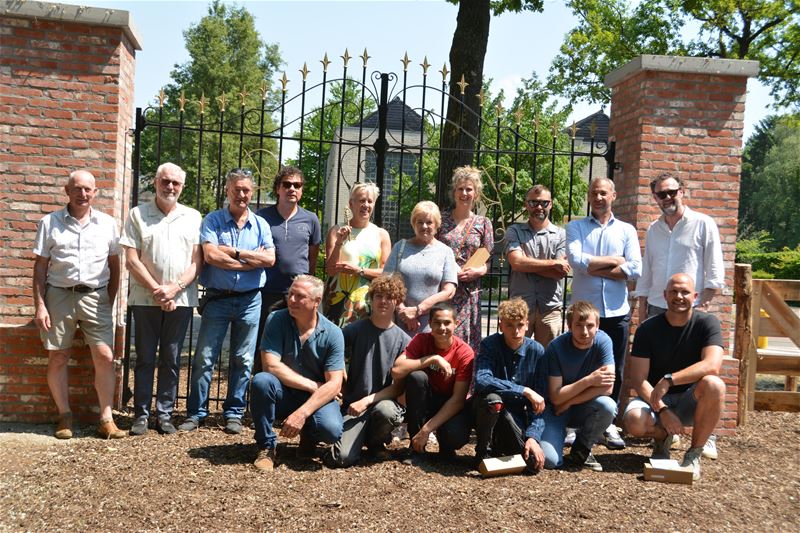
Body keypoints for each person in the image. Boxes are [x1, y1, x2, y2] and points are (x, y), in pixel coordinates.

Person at [633, 173, 725, 460]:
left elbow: (714, 271)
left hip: (691, 309)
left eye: (672, 192)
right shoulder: (653, 229)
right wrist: (643, 304)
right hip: (660, 307)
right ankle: (664, 428)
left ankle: (704, 435)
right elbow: (647, 270)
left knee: (702, 377)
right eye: (661, 194)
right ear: (655, 198)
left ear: (682, 191)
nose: (667, 198)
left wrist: (702, 307)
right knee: (658, 371)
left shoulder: (703, 224)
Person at [179, 169, 275, 435]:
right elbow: (210, 256)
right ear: (227, 191)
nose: (241, 194)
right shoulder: (212, 220)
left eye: (246, 190)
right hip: (218, 299)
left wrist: (232, 252)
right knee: (204, 358)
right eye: (236, 189)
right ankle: (196, 412)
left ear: (252, 192)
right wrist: (248, 260)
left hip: (250, 300)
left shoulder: (261, 225)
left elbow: (269, 260)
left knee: (243, 359)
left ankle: (233, 412)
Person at [32, 170, 125, 439]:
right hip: (58, 295)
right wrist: (40, 305)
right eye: (77, 189)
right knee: (58, 356)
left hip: (97, 297)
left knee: (106, 357)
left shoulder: (107, 224)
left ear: (95, 192)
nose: (82, 194)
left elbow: (115, 265)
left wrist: (110, 297)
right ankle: (64, 416)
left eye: (88, 189)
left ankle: (106, 418)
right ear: (67, 191)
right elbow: (40, 267)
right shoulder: (50, 223)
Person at [121, 162, 203, 435]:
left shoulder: (193, 216)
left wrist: (175, 288)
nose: (170, 187)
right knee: (144, 357)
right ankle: (141, 415)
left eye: (175, 183)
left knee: (171, 358)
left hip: (180, 300)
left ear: (182, 187)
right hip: (145, 300)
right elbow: (132, 260)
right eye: (165, 181)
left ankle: (165, 414)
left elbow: (197, 261)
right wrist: (159, 290)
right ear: (155, 182)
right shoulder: (137, 214)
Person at [622, 273, 725, 480]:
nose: (679, 296)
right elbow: (639, 379)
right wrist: (663, 410)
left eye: (685, 292)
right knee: (633, 421)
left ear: (695, 296)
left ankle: (693, 454)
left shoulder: (708, 323)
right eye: (674, 291)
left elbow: (712, 365)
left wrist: (669, 380)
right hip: (655, 399)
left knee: (714, 384)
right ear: (664, 295)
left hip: (691, 400)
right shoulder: (647, 329)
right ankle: (663, 437)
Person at [566, 177, 641, 449]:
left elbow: (635, 269)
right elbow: (575, 261)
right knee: (578, 368)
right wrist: (616, 262)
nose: (598, 197)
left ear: (614, 195)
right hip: (583, 314)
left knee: (614, 370)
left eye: (603, 193)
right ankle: (574, 424)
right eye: (594, 193)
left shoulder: (626, 230)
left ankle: (608, 424)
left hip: (616, 312)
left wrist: (593, 266)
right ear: (589, 196)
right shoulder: (575, 227)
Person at [251, 275, 345, 472]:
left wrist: (302, 414)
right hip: (284, 393)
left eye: (299, 296)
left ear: (316, 302)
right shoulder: (276, 319)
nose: (291, 300)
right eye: (290, 294)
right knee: (261, 381)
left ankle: (309, 438)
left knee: (331, 430)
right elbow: (271, 366)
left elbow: (335, 384)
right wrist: (313, 385)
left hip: (315, 399)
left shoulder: (333, 333)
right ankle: (266, 447)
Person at [324, 275, 411, 468]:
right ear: (371, 299)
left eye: (389, 297)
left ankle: (375, 443)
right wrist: (340, 376)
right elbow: (330, 352)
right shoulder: (354, 330)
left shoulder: (404, 340)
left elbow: (397, 388)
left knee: (386, 411)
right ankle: (356, 438)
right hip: (352, 406)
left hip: (381, 404)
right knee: (341, 458)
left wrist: (367, 401)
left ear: (397, 301)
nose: (383, 301)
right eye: (378, 296)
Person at [255, 166, 321, 370]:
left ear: (301, 190)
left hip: (299, 293)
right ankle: (261, 386)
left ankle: (294, 391)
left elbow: (313, 254)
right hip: (268, 291)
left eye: (297, 185)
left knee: (297, 343)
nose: (292, 189)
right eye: (287, 184)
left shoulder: (311, 219)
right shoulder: (261, 217)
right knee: (264, 343)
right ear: (278, 189)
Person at [391, 303, 474, 464]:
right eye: (437, 322)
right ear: (430, 324)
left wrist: (427, 430)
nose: (442, 327)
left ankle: (446, 446)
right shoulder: (422, 340)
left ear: (456, 324)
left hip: (449, 405)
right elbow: (397, 370)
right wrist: (432, 359)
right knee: (417, 377)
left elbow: (458, 400)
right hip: (424, 401)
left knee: (455, 437)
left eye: (447, 322)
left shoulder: (464, 352)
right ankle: (415, 449)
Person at [473, 298, 549, 472]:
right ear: (501, 326)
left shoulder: (537, 351)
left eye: (520, 325)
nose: (516, 331)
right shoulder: (490, 345)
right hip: (487, 411)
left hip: (516, 417)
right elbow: (482, 380)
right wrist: (524, 390)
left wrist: (533, 437)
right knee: (493, 399)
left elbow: (541, 404)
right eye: (509, 325)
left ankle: (501, 451)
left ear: (527, 325)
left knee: (532, 464)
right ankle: (482, 453)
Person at [539, 301, 616, 471]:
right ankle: (553, 435)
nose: (585, 332)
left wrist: (570, 401)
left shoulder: (603, 341)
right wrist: (589, 380)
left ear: (598, 325)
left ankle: (581, 450)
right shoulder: (556, 347)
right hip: (556, 410)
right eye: (579, 325)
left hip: (578, 406)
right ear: (569, 326)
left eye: (590, 326)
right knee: (550, 461)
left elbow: (607, 388)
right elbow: (555, 396)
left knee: (608, 406)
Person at [437, 166, 494, 353]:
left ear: (476, 193)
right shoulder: (440, 220)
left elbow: (488, 258)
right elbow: (432, 250)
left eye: (469, 189)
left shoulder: (483, 223)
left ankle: (465, 382)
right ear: (453, 192)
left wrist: (480, 271)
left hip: (470, 294)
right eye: (460, 188)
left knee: (467, 346)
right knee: (443, 337)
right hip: (445, 290)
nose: (464, 193)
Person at [506, 184, 570, 347]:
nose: (539, 207)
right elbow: (516, 263)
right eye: (534, 202)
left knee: (549, 359)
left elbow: (560, 273)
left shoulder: (561, 234)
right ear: (526, 204)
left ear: (551, 204)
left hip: (549, 308)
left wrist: (527, 263)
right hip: (519, 308)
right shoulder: (514, 230)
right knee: (515, 355)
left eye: (544, 203)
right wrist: (553, 263)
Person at [383, 201, 458, 335]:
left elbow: (449, 291)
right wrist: (403, 312)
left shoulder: (445, 252)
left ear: (437, 225)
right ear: (413, 223)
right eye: (420, 222)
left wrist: (418, 310)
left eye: (429, 222)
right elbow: (386, 283)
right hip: (399, 325)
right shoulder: (400, 247)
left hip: (433, 327)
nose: (424, 226)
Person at [324, 182, 391, 327]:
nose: (366, 205)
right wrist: (339, 243)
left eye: (369, 201)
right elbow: (329, 269)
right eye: (361, 200)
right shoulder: (336, 231)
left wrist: (359, 271)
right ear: (350, 203)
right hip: (337, 301)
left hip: (366, 303)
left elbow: (386, 273)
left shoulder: (381, 234)